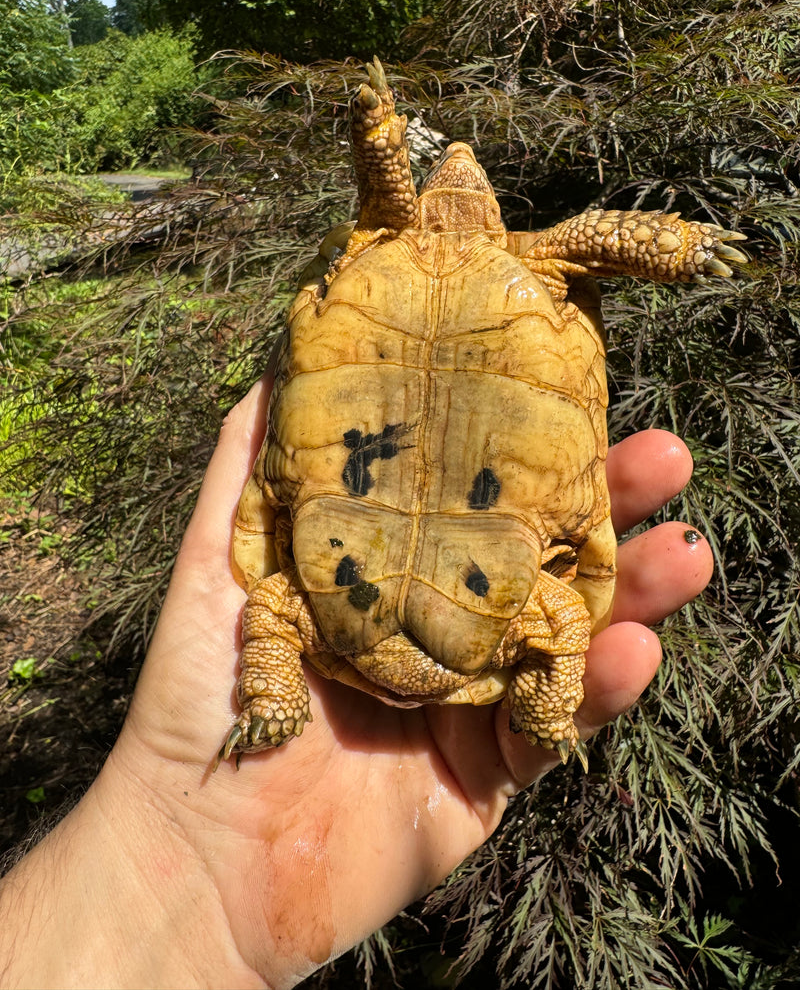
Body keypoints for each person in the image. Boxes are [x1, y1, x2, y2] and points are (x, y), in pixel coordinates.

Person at [0, 376, 713, 990]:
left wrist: (272, 695)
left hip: (381, 550)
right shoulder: (522, 607)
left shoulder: (326, 600)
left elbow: (277, 598)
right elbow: (553, 616)